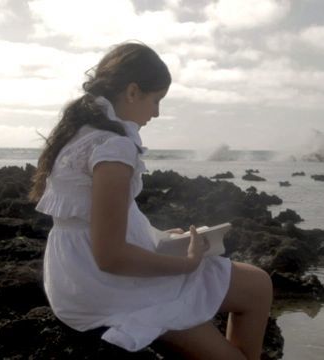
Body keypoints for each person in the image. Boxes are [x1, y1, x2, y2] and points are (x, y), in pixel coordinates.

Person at [29, 42, 272, 360]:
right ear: (132, 92)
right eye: (156, 100)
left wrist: (155, 238)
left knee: (257, 283)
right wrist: (185, 264)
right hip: (105, 288)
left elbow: (99, 223)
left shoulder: (81, 134)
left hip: (74, 280)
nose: (156, 113)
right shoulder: (113, 147)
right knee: (254, 291)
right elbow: (111, 258)